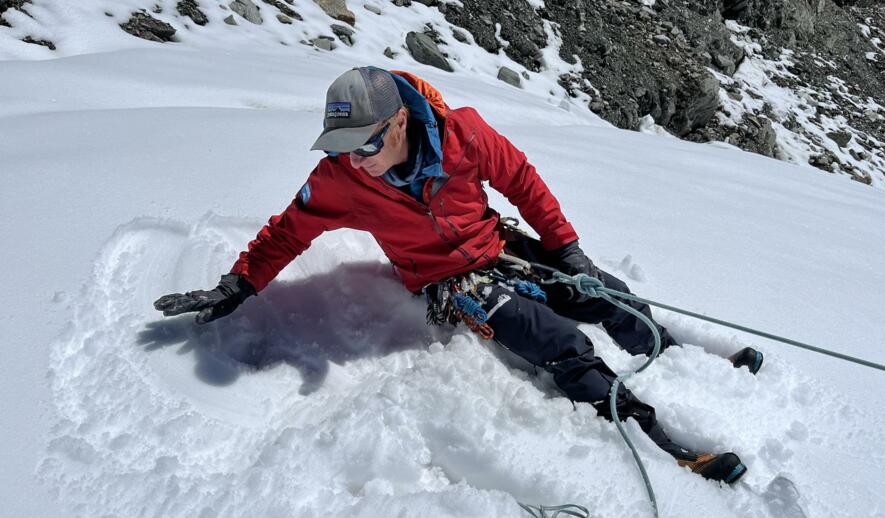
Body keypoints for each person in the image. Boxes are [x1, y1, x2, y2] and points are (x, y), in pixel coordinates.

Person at [154, 66, 764, 484]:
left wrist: (569, 251)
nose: (352, 161)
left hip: (498, 246)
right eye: (339, 148)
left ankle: (680, 362)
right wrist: (240, 283)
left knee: (609, 297)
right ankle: (656, 438)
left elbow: (522, 180)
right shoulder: (342, 180)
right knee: (559, 341)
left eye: (362, 145)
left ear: (397, 123)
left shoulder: (462, 134)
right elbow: (290, 230)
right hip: (450, 284)